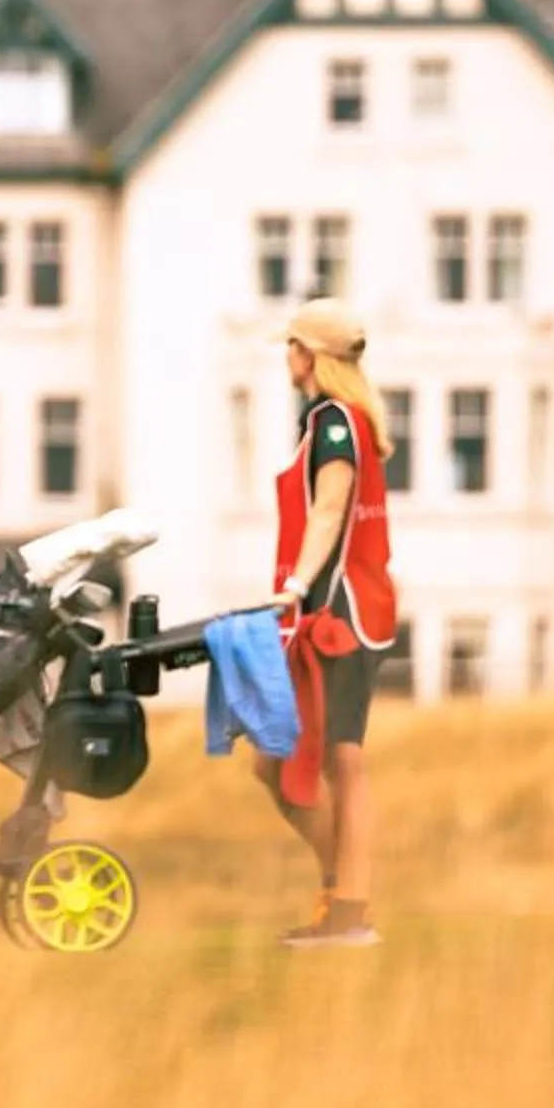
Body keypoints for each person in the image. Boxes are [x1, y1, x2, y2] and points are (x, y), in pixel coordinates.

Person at [253, 297, 396, 950]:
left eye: (291, 345)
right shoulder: (340, 421)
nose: (286, 355)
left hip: (339, 613)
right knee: (282, 759)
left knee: (342, 760)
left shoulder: (334, 422)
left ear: (310, 356)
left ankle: (348, 909)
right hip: (330, 610)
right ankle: (341, 892)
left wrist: (295, 587)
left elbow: (330, 510)